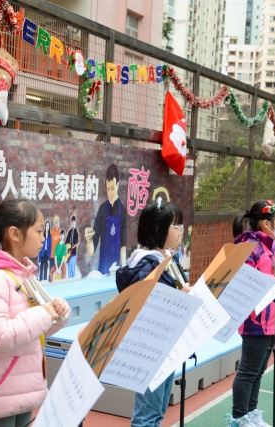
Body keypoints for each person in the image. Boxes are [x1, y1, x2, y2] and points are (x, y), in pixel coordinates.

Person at [0, 199, 71, 427]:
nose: (43, 238)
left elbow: (31, 331)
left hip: (21, 387)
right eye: (38, 231)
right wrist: (44, 314)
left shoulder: (23, 275)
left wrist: (57, 314)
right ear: (15, 234)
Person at [115, 198, 189, 427]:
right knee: (147, 415)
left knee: (157, 411)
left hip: (167, 345)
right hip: (150, 348)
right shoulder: (146, 266)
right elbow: (147, 307)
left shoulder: (168, 260)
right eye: (175, 226)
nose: (181, 230)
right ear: (158, 229)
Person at [226, 200, 275, 427]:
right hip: (256, 320)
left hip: (272, 318)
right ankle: (239, 418)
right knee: (248, 371)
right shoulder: (250, 247)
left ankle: (251, 413)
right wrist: (272, 282)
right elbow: (245, 283)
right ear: (266, 224)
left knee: (259, 370)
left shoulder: (271, 247)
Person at [85, 163, 127, 274]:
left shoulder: (123, 211)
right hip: (102, 269)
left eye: (112, 188)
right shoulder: (102, 210)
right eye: (108, 189)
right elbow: (90, 252)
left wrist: (124, 268)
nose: (110, 193)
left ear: (117, 185)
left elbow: (123, 245)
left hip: (116, 270)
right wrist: (89, 240)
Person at [49, 215, 61, 282]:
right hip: (52, 255)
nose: (57, 224)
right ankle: (50, 281)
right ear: (54, 224)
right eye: (56, 223)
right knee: (51, 270)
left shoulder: (60, 232)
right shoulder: (52, 233)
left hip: (58, 255)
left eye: (58, 223)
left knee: (57, 270)